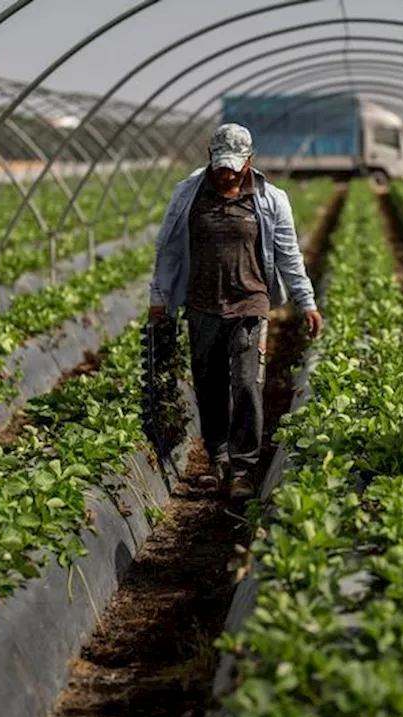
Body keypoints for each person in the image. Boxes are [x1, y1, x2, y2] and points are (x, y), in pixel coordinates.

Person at [149, 123, 322, 500]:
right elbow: (169, 251)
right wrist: (159, 298)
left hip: (250, 303)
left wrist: (305, 301)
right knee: (209, 385)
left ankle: (243, 468)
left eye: (233, 165)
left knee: (246, 385)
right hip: (201, 304)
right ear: (210, 159)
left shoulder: (270, 199)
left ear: (249, 162)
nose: (225, 173)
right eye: (220, 165)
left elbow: (289, 255)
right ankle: (217, 459)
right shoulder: (188, 195)